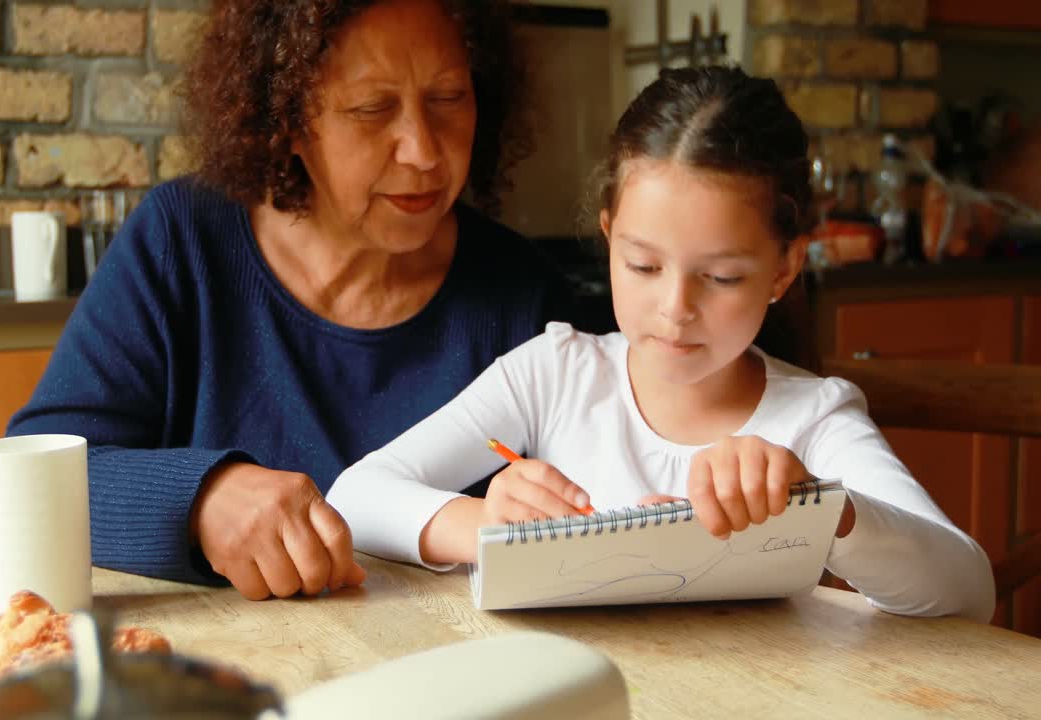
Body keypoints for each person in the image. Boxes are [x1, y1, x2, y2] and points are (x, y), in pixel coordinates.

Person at [328, 66, 995, 621]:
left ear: (783, 269)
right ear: (610, 236)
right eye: (643, 266)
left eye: (722, 277)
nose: (675, 309)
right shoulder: (553, 373)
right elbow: (354, 497)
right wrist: (491, 529)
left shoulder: (812, 419)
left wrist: (822, 505)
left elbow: (968, 593)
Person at [7, 0, 577, 600]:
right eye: (372, 108)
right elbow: (35, 480)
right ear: (285, 121)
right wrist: (202, 499)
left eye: (448, 99)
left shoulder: (527, 299)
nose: (424, 151)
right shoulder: (182, 242)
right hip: (223, 679)